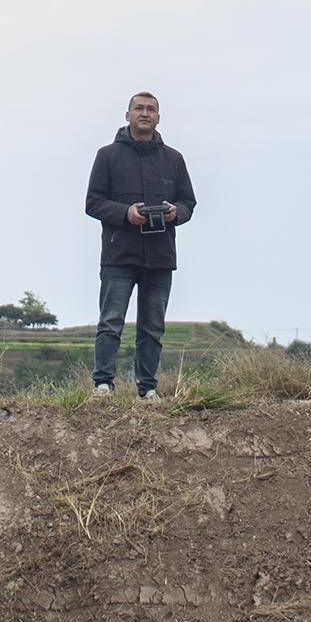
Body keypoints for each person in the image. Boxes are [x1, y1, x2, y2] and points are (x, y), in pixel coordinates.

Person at [83, 91, 195, 400]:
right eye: (139, 109)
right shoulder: (107, 156)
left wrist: (176, 212)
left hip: (160, 257)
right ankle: (102, 384)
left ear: (158, 118)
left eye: (151, 110)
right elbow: (93, 203)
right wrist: (126, 213)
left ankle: (147, 389)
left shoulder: (174, 159)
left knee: (152, 329)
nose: (145, 113)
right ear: (128, 115)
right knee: (110, 322)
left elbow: (189, 202)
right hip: (119, 254)